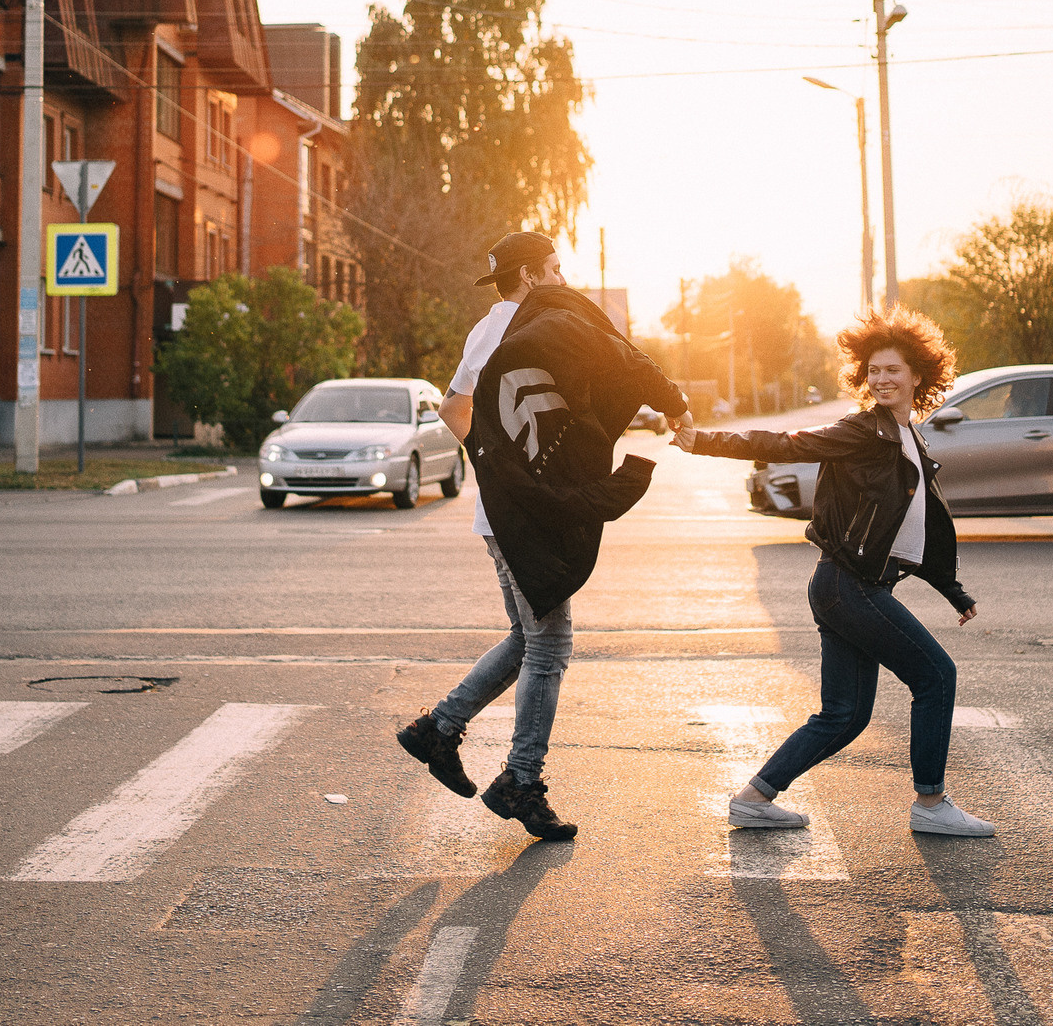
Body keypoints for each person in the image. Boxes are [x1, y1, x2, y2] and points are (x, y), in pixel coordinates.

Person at [395, 234, 691, 841]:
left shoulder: (488, 328)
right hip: (527, 521)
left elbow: (454, 407)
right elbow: (624, 365)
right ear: (530, 274)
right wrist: (524, 478)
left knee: (527, 637)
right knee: (550, 645)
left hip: (504, 515)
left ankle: (440, 729)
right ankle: (519, 780)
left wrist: (496, 465)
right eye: (555, 267)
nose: (562, 277)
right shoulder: (552, 323)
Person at [674, 306, 993, 839]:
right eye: (874, 371)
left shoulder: (907, 436)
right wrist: (703, 439)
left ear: (918, 374)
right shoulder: (862, 431)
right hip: (849, 585)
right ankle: (931, 803)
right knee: (936, 677)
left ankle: (754, 799)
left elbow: (920, 528)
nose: (882, 379)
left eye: (893, 369)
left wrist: (953, 592)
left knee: (844, 715)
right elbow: (785, 445)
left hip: (849, 586)